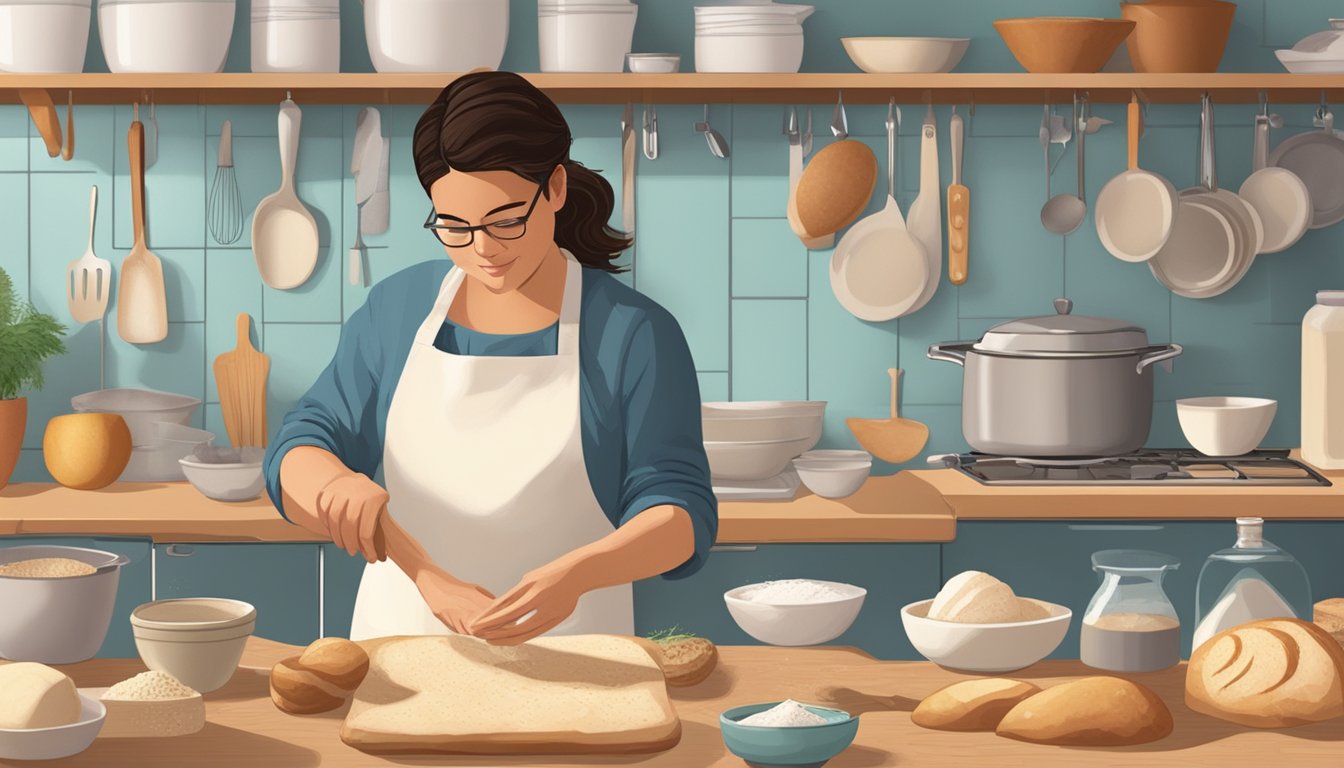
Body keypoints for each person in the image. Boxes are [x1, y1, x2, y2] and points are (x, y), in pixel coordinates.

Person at [262, 71, 717, 645]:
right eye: (453, 226)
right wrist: (331, 487)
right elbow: (298, 447)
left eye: (505, 220)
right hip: (400, 657)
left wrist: (580, 574)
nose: (482, 249)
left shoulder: (632, 333)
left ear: (554, 188)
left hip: (575, 656)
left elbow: (681, 514)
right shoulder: (398, 311)